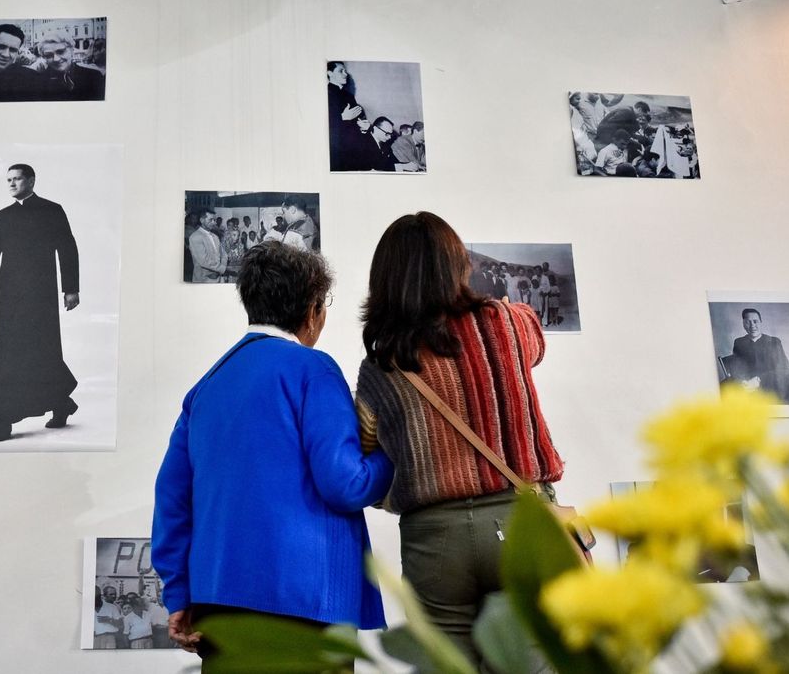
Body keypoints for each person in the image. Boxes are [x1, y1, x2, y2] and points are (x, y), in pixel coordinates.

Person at [152, 242, 394, 664]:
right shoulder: (313, 369)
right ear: (312, 310)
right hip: (307, 601)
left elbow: (172, 497)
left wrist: (179, 593)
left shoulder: (206, 387)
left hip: (217, 604)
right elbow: (346, 484)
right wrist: (392, 457)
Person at [355, 212, 565, 666]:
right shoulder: (509, 324)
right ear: (459, 265)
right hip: (520, 521)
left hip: (435, 538)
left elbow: (367, 453)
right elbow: (539, 345)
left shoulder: (381, 365)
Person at [0, 164, 80, 443]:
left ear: (31, 180)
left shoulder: (52, 210)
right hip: (7, 294)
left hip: (40, 294)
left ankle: (8, 418)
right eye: (8, 180)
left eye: (17, 179)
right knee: (6, 352)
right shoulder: (4, 215)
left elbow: (67, 247)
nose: (11, 183)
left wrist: (71, 289)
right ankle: (23, 413)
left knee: (41, 349)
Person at [727, 308, 789, 399]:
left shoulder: (774, 342)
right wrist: (742, 382)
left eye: (755, 321)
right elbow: (735, 369)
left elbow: (784, 370)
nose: (752, 325)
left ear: (761, 322)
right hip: (746, 392)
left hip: (770, 391)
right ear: (743, 324)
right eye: (748, 322)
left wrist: (758, 380)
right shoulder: (739, 342)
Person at [33, 30, 105, 101]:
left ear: (72, 50)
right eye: (49, 55)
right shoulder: (39, 83)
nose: (56, 59)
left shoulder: (94, 77)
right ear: (44, 57)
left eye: (61, 52)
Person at [326, 61, 364, 171]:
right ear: (330, 73)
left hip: (352, 147)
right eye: (340, 71)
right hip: (336, 149)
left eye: (345, 71)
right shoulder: (324, 93)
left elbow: (357, 120)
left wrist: (362, 126)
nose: (345, 74)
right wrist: (342, 118)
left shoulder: (349, 96)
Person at [350, 116, 421, 172]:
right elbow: (377, 166)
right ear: (376, 129)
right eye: (387, 134)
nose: (389, 137)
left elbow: (392, 162)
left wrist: (407, 165)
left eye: (391, 134)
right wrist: (403, 167)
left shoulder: (385, 145)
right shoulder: (364, 142)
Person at [187, 209, 227, 282]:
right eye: (211, 220)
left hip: (219, 278)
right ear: (202, 220)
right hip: (204, 279)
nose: (214, 223)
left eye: (214, 220)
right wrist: (222, 269)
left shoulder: (215, 236)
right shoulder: (195, 237)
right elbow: (204, 261)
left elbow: (224, 254)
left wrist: (222, 268)